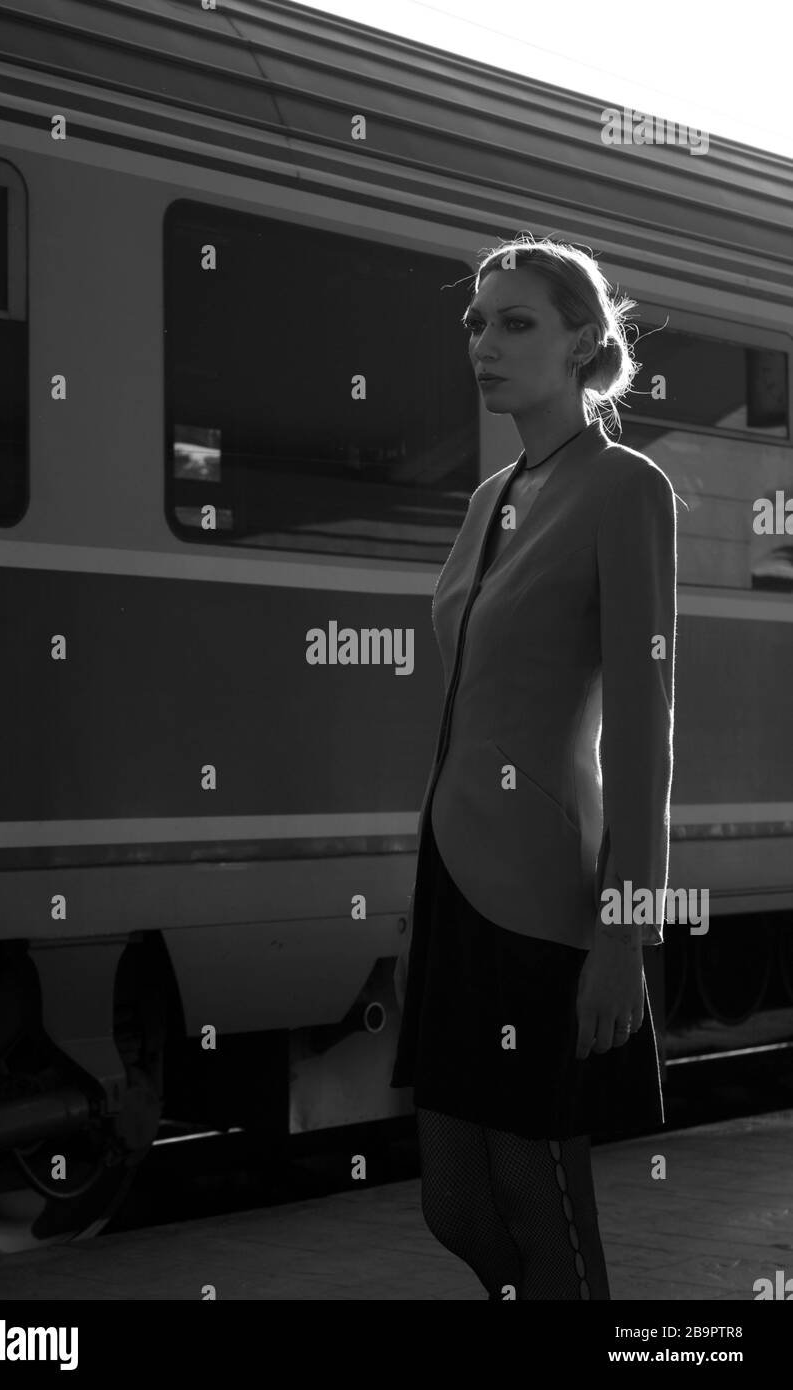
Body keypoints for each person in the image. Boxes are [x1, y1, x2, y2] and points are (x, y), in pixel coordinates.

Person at [390, 232, 677, 1300]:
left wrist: (624, 929)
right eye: (475, 320)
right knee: (451, 1204)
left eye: (515, 322)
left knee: (540, 1206)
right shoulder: (488, 497)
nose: (484, 341)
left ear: (582, 346)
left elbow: (646, 730)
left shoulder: (623, 488)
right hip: (452, 880)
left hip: (544, 898)